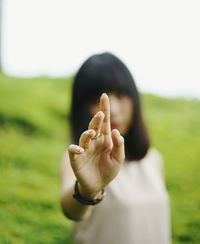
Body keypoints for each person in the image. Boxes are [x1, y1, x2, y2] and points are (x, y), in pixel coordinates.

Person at [60, 52, 171, 244]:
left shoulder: (153, 159)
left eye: (120, 95)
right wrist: (86, 191)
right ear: (82, 107)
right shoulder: (77, 160)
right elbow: (72, 211)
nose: (114, 110)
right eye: (97, 99)